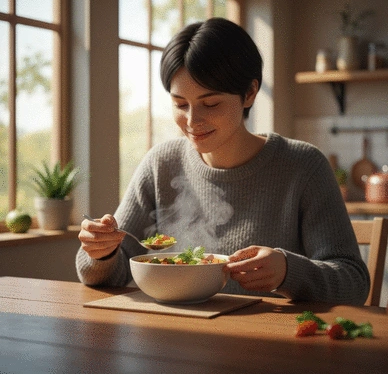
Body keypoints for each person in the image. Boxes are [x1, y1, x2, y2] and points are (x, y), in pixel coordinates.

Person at [76, 17, 369, 305]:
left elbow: (354, 282)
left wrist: (288, 272)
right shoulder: (161, 164)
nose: (192, 121)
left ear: (250, 93)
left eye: (211, 103)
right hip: (174, 338)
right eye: (180, 104)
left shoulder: (303, 166)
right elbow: (107, 274)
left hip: (269, 344)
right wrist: (101, 252)